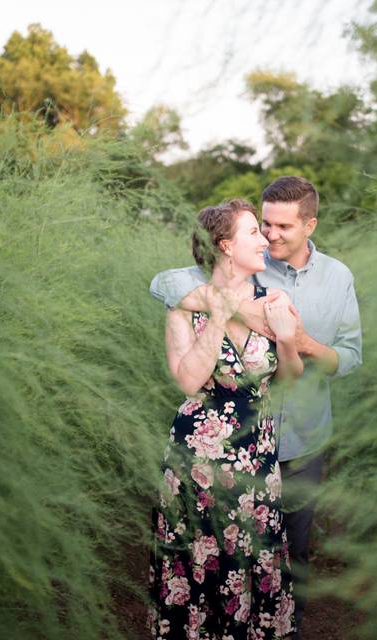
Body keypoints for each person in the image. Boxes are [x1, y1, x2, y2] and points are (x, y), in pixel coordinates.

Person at [150, 177, 362, 639]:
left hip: (292, 442)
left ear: (310, 224)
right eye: (261, 225)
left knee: (283, 552)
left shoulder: (332, 279)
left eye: (280, 226)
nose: (269, 236)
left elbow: (347, 359)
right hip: (208, 455)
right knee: (205, 557)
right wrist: (225, 307)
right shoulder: (233, 278)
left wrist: (299, 341)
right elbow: (164, 283)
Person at [148, 198, 303, 639]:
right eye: (253, 231)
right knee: (199, 559)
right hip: (197, 464)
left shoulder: (273, 302)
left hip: (257, 459)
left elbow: (288, 378)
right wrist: (217, 316)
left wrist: (288, 340)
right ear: (225, 246)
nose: (265, 238)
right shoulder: (184, 307)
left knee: (256, 559)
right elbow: (189, 380)